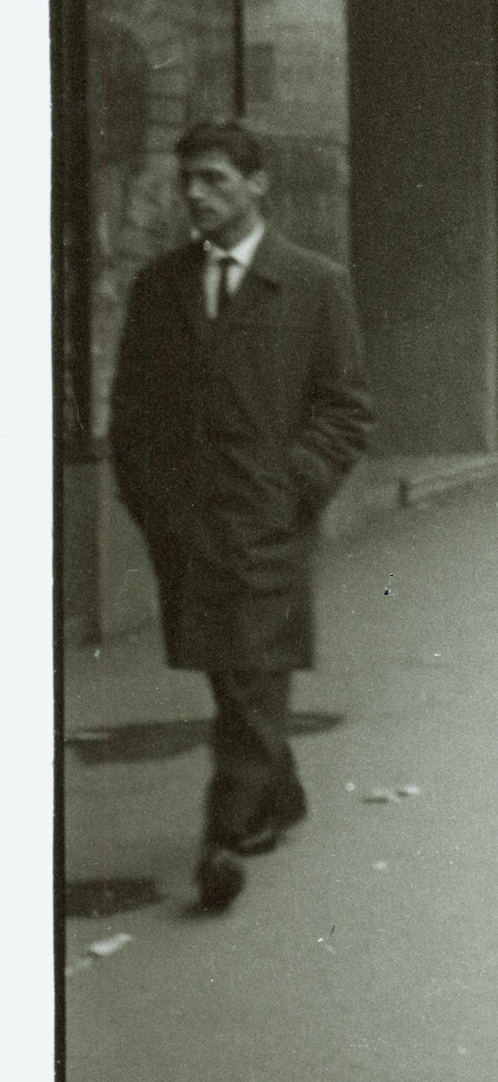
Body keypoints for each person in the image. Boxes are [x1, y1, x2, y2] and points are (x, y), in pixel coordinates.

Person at [108, 121, 374, 915]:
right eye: (188, 178)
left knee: (254, 674)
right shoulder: (160, 289)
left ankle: (221, 840)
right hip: (187, 532)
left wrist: (293, 490)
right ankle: (278, 793)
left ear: (258, 186)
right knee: (234, 679)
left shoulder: (314, 284)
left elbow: (346, 410)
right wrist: (155, 506)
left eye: (215, 178)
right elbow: (133, 412)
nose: (196, 193)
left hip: (269, 527)